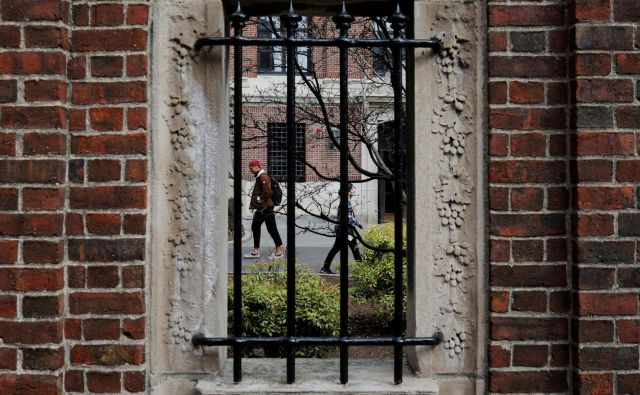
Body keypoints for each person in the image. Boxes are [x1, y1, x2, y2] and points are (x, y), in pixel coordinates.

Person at [244, 159, 284, 260]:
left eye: (251, 167)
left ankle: (278, 251)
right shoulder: (259, 176)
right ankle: (256, 251)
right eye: (249, 167)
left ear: (257, 166)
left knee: (270, 228)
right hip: (263, 207)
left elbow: (267, 192)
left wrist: (258, 200)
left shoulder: (263, 176)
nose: (250, 169)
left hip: (265, 207)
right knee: (258, 227)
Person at [320, 183, 363, 274]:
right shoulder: (346, 203)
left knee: (336, 249)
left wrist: (358, 224)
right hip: (346, 231)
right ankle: (362, 270)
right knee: (355, 249)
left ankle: (325, 267)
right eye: (351, 190)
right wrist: (354, 226)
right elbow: (348, 219)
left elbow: (350, 217)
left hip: (342, 230)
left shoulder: (345, 202)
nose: (353, 191)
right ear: (347, 192)